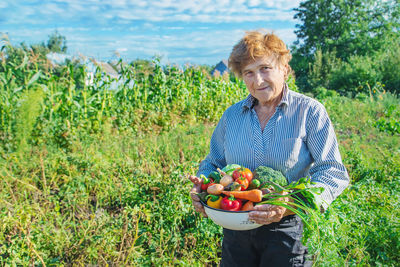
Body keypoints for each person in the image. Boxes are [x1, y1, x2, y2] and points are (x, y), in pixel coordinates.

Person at [189, 30, 350, 266]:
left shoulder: (309, 111)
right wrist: (202, 189)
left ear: (284, 68)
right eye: (249, 73)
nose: (258, 81)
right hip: (235, 229)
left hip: (286, 231)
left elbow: (332, 171)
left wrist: (290, 204)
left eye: (265, 68)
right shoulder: (232, 116)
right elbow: (213, 161)